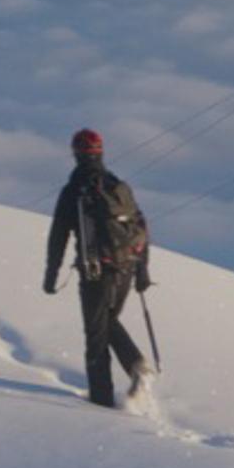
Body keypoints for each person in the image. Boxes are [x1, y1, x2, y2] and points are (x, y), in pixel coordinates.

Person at [42, 126, 155, 408]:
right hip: (126, 266)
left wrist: (51, 273)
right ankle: (136, 367)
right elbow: (140, 225)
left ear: (75, 154)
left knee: (96, 335)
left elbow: (59, 235)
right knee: (107, 322)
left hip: (96, 271)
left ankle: (103, 400)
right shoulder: (118, 186)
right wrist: (142, 270)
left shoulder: (73, 191)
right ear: (101, 152)